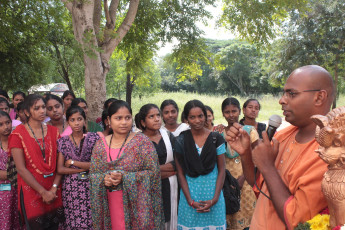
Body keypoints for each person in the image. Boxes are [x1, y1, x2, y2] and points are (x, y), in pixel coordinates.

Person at [225, 65, 334, 230]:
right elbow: (258, 185)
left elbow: (295, 219)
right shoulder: (282, 136)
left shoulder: (330, 152)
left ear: (319, 98)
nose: (282, 100)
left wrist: (268, 167)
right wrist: (246, 153)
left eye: (291, 93)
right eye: (284, 93)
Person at [89, 100, 164, 229]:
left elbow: (153, 173)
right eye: (118, 118)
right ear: (108, 120)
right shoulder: (100, 145)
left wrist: (125, 177)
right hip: (109, 204)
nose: (124, 122)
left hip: (138, 207)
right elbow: (94, 175)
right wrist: (103, 179)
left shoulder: (142, 142)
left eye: (127, 118)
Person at [9, 94, 64, 229]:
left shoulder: (54, 131)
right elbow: (21, 169)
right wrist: (43, 192)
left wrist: (53, 189)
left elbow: (59, 164)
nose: (42, 111)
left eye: (43, 107)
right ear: (27, 112)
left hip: (54, 190)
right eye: (37, 108)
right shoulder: (17, 134)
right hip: (31, 191)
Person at [174, 99, 226, 229]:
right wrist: (190, 201)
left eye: (200, 116)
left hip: (214, 197)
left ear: (206, 116)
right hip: (189, 199)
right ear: (186, 119)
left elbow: (222, 170)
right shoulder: (180, 140)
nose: (197, 120)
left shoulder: (216, 138)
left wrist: (214, 200)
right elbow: (180, 173)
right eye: (192, 117)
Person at [214, 97, 259, 230]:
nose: (231, 115)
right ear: (223, 113)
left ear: (240, 111)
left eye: (234, 111)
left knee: (247, 220)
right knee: (230, 215)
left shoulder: (249, 131)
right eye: (227, 112)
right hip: (227, 183)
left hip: (245, 180)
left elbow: (256, 157)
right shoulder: (218, 132)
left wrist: (243, 178)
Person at [136, 103, 178, 229]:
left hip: (170, 186)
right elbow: (138, 169)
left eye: (158, 115)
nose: (157, 119)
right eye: (151, 116)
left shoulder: (169, 136)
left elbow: (177, 163)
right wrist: (159, 171)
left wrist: (153, 170)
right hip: (148, 189)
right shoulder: (138, 141)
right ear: (143, 122)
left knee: (170, 217)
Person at [57, 106, 99, 229]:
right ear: (68, 122)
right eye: (72, 120)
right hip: (71, 190)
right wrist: (83, 169)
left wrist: (72, 162)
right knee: (74, 222)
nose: (76, 123)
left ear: (84, 120)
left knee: (92, 220)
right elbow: (60, 169)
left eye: (79, 119)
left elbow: (97, 165)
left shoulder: (94, 138)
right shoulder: (63, 141)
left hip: (91, 187)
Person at [0, 111, 20, 230]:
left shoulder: (18, 139)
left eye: (8, 122)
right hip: (1, 192)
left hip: (18, 188)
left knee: (18, 220)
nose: (6, 126)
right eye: (1, 124)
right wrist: (13, 174)